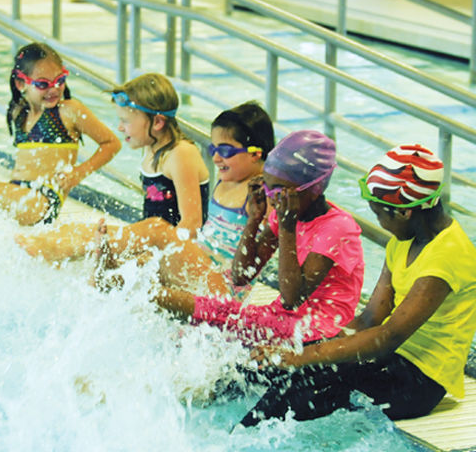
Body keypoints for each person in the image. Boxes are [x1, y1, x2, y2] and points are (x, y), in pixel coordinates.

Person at [243, 144, 476, 427]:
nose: (378, 222)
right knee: (263, 369)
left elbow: (389, 335)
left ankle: (238, 438)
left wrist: (301, 356)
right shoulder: (402, 241)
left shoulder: (448, 255)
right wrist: (313, 347)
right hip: (387, 359)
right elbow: (369, 318)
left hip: (417, 381)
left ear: (404, 213)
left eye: (379, 214)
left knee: (300, 388)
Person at [148, 130, 364, 345]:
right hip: (284, 318)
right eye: (269, 189)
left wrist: (287, 229)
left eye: (278, 191)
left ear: (314, 189)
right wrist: (253, 219)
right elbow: (241, 275)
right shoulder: (289, 212)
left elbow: (291, 299)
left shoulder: (336, 227)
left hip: (317, 328)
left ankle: (141, 292)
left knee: (207, 313)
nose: (273, 199)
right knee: (195, 322)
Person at [15, 72, 210, 260]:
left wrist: (152, 258)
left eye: (125, 121)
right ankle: (46, 252)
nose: (120, 127)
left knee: (95, 243)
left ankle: (54, 252)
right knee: (74, 229)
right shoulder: (151, 149)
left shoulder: (180, 154)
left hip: (174, 252)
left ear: (158, 122)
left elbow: (191, 224)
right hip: (154, 240)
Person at [92, 101, 275, 297]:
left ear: (255, 154)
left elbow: (263, 252)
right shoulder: (227, 182)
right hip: (204, 268)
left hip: (224, 287)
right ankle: (112, 274)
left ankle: (111, 249)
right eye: (213, 150)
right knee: (153, 258)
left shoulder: (262, 195)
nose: (215, 159)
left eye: (224, 151)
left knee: (158, 229)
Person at [0, 42, 121, 226]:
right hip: (17, 193)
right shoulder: (19, 113)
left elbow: (111, 143)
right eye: (43, 84)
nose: (54, 89)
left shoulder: (68, 111)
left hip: (43, 199)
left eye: (60, 80)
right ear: (21, 84)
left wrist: (79, 173)